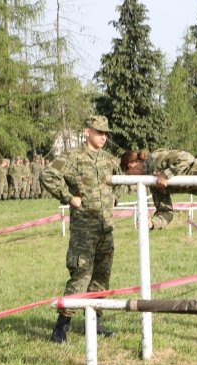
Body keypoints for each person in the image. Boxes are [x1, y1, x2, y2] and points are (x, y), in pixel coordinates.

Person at [40, 115, 126, 344]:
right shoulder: (72, 157)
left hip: (106, 228)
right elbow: (47, 176)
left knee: (101, 277)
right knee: (80, 276)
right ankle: (61, 327)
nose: (104, 137)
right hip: (84, 229)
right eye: (99, 132)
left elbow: (123, 181)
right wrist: (69, 197)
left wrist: (115, 198)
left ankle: (94, 324)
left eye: (106, 133)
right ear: (87, 131)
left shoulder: (109, 160)